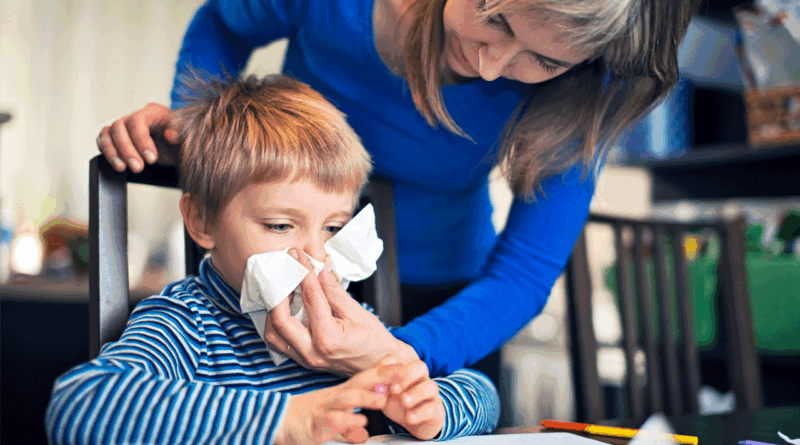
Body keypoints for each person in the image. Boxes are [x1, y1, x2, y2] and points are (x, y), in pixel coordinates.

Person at [95, 0, 703, 384]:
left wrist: (392, 357)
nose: (492, 67)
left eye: (544, 61)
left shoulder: (589, 89)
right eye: (494, 19)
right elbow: (223, 22)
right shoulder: (183, 328)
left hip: (448, 305)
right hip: (276, 281)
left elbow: (523, 273)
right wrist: (204, 129)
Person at [48, 74, 500, 444]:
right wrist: (286, 420)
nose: (316, 257)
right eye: (281, 226)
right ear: (201, 221)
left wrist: (428, 407)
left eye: (333, 228)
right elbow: (82, 404)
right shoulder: (187, 324)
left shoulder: (344, 326)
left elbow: (481, 391)